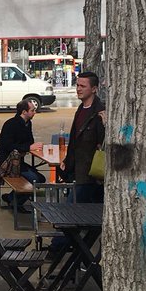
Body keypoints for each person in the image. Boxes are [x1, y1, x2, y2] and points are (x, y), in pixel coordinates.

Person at [60, 71, 106, 203]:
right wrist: (67, 161)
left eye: (83, 86)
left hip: (92, 173)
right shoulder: (80, 109)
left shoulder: (100, 112)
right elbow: (75, 141)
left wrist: (106, 126)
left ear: (94, 89)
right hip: (78, 170)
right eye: (77, 85)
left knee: (70, 210)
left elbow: (103, 143)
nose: (78, 89)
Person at [0, 100, 46, 212]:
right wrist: (28, 148)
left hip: (18, 162)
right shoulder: (11, 124)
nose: (35, 112)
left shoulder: (27, 123)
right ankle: (16, 203)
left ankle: (10, 198)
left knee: (41, 178)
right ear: (24, 112)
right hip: (7, 164)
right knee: (35, 179)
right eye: (32, 110)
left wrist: (30, 146)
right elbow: (7, 145)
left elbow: (30, 141)